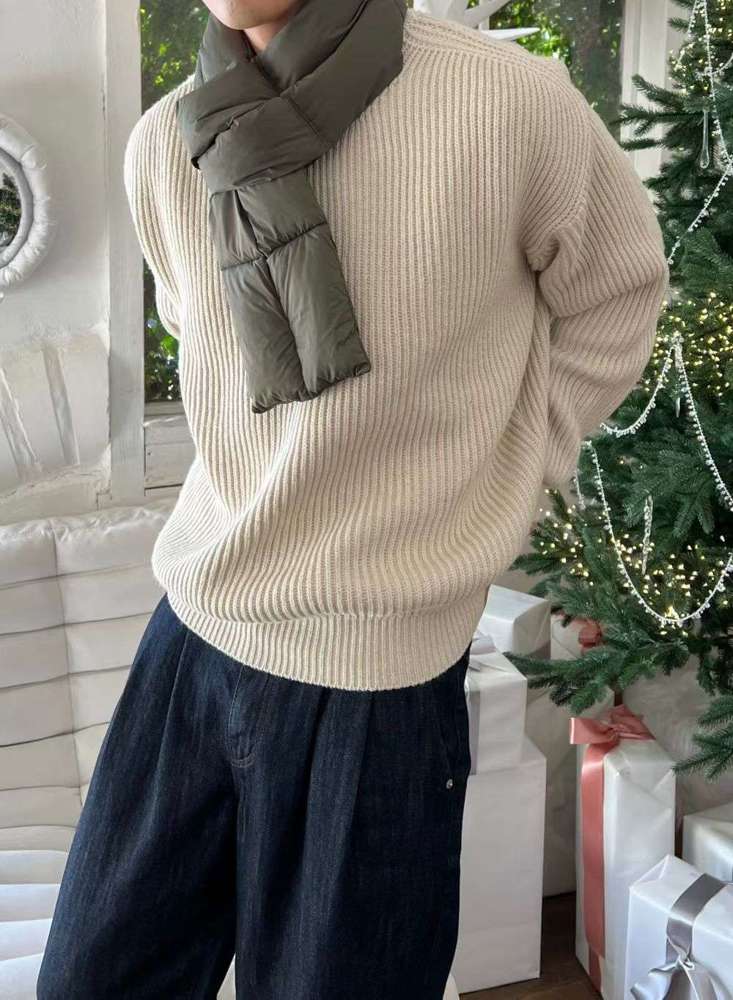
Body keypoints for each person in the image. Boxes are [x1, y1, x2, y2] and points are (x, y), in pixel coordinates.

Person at [36, 1, 669, 997]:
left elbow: (616, 296)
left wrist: (514, 461)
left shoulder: (506, 103)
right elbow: (213, 368)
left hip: (381, 676)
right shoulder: (165, 142)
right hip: (197, 639)